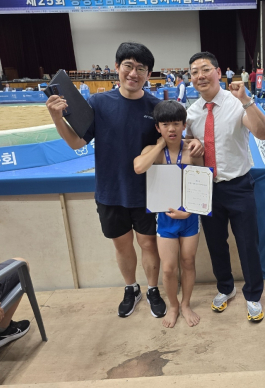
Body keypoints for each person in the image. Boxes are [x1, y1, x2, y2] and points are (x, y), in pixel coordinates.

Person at [46, 42, 202, 319]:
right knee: (121, 245)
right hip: (110, 190)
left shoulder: (155, 107)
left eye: (141, 68)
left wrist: (194, 142)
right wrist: (57, 118)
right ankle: (131, 288)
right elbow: (76, 142)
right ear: (117, 67)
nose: (133, 73)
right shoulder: (98, 103)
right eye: (128, 66)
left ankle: (152, 289)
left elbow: (173, 139)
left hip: (147, 192)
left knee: (148, 244)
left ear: (148, 74)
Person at [186, 51, 265, 322]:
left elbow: (263, 133)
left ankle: (253, 294)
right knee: (216, 244)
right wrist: (191, 144)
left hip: (238, 186)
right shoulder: (191, 113)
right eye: (194, 72)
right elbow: (186, 147)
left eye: (205, 69)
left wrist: (246, 100)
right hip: (207, 188)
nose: (200, 76)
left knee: (247, 243)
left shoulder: (237, 103)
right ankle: (225, 288)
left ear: (218, 72)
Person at [134, 101, 204, 328]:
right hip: (164, 219)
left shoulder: (193, 150)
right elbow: (138, 168)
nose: (171, 129)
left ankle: (186, 304)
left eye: (176, 124)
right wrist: (160, 145)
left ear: (184, 125)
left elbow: (202, 185)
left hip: (190, 217)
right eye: (165, 125)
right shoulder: (152, 151)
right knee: (168, 268)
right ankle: (173, 306)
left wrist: (189, 211)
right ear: (157, 127)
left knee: (188, 262)